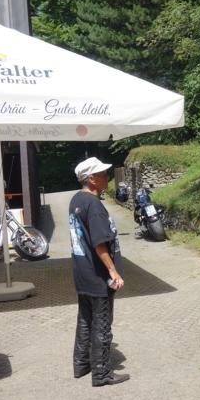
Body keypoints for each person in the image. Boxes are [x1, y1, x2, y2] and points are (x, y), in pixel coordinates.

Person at [69, 157, 129, 387]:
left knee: (85, 320)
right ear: (92, 179)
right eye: (103, 174)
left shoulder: (76, 199)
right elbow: (99, 244)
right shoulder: (93, 205)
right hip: (97, 275)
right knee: (102, 324)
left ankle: (81, 364)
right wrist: (113, 271)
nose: (107, 177)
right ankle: (102, 373)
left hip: (82, 273)